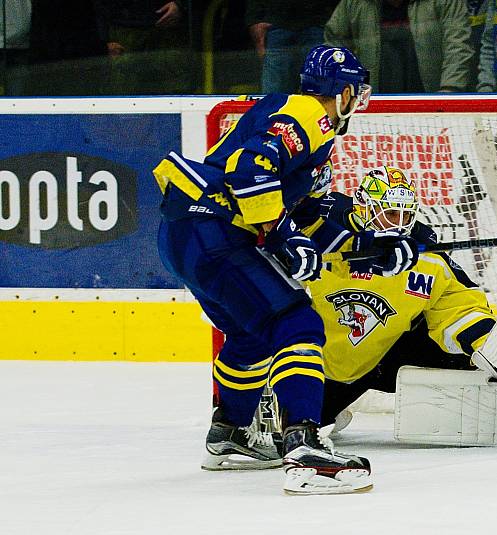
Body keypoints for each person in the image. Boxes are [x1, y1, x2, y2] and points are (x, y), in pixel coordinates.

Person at [154, 45, 418, 495]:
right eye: (357, 93)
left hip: (189, 235)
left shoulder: (311, 135)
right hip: (214, 229)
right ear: (345, 92)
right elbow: (250, 169)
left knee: (251, 336)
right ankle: (305, 448)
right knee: (296, 321)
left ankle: (231, 436)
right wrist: (278, 231)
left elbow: (309, 217)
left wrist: (368, 248)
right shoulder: (308, 115)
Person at [306, 166, 497, 427]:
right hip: (321, 365)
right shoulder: (318, 234)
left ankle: (496, 396)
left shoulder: (427, 259)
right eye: (390, 214)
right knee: (307, 421)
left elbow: (461, 308)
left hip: (388, 354)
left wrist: (496, 349)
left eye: (406, 214)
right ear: (363, 209)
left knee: (467, 356)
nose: (399, 223)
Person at [324, 0, 474, 93]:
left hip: (432, 103)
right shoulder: (354, 4)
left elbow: (458, 46)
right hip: (374, 105)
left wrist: (449, 91)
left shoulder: (446, 2)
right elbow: (334, 46)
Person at [94, 1, 193, 94]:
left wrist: (181, 4)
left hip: (169, 30)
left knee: (176, 95)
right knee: (120, 96)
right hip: (121, 33)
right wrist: (102, 43)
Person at [245, 0, 338, 94]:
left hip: (318, 23)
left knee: (322, 96)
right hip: (278, 22)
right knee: (275, 100)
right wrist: (255, 18)